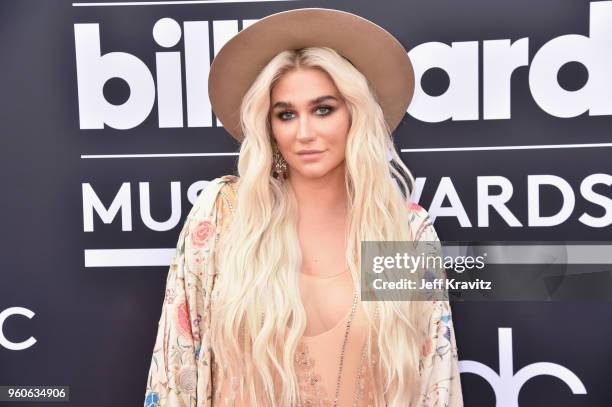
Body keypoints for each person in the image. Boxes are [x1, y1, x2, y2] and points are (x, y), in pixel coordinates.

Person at [144, 8, 462, 407]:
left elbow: (434, 379)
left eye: (323, 109)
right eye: (286, 114)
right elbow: (176, 372)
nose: (304, 132)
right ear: (269, 126)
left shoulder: (398, 232)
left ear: (355, 114)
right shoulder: (224, 216)